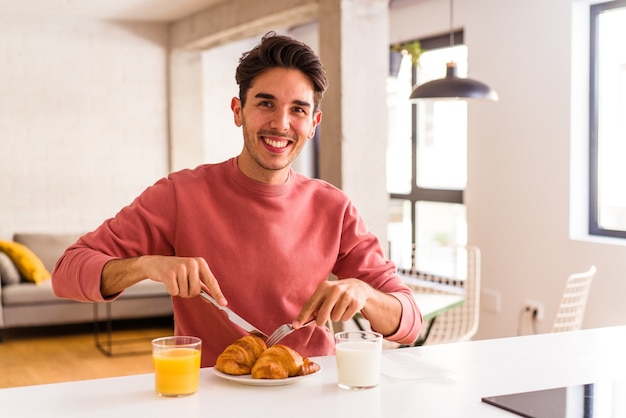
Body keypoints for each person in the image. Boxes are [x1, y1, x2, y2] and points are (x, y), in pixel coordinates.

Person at [52, 32, 422, 367]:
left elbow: (409, 322)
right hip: (210, 394)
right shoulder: (181, 195)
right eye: (265, 104)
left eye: (298, 109)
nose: (280, 123)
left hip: (312, 391)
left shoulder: (334, 208)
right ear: (237, 111)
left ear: (313, 123)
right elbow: (67, 272)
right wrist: (147, 266)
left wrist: (364, 293)